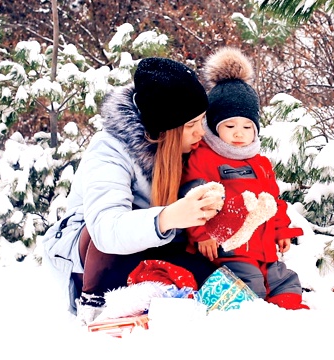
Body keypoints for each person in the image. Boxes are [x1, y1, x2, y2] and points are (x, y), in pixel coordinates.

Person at [40, 57, 223, 324]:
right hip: (92, 255)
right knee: (108, 230)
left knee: (211, 279)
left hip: (157, 244)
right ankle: (97, 306)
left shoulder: (191, 147)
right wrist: (169, 218)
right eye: (191, 125)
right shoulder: (109, 149)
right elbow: (105, 229)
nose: (201, 133)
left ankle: (155, 293)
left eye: (202, 121)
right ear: (167, 130)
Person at [180, 47, 308, 310]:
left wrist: (282, 230)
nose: (239, 133)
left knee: (287, 283)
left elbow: (273, 201)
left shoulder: (260, 163)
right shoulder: (204, 158)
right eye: (229, 126)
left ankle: (291, 320)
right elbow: (193, 199)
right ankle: (252, 323)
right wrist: (201, 235)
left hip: (265, 249)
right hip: (229, 249)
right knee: (250, 286)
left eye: (247, 126)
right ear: (213, 126)